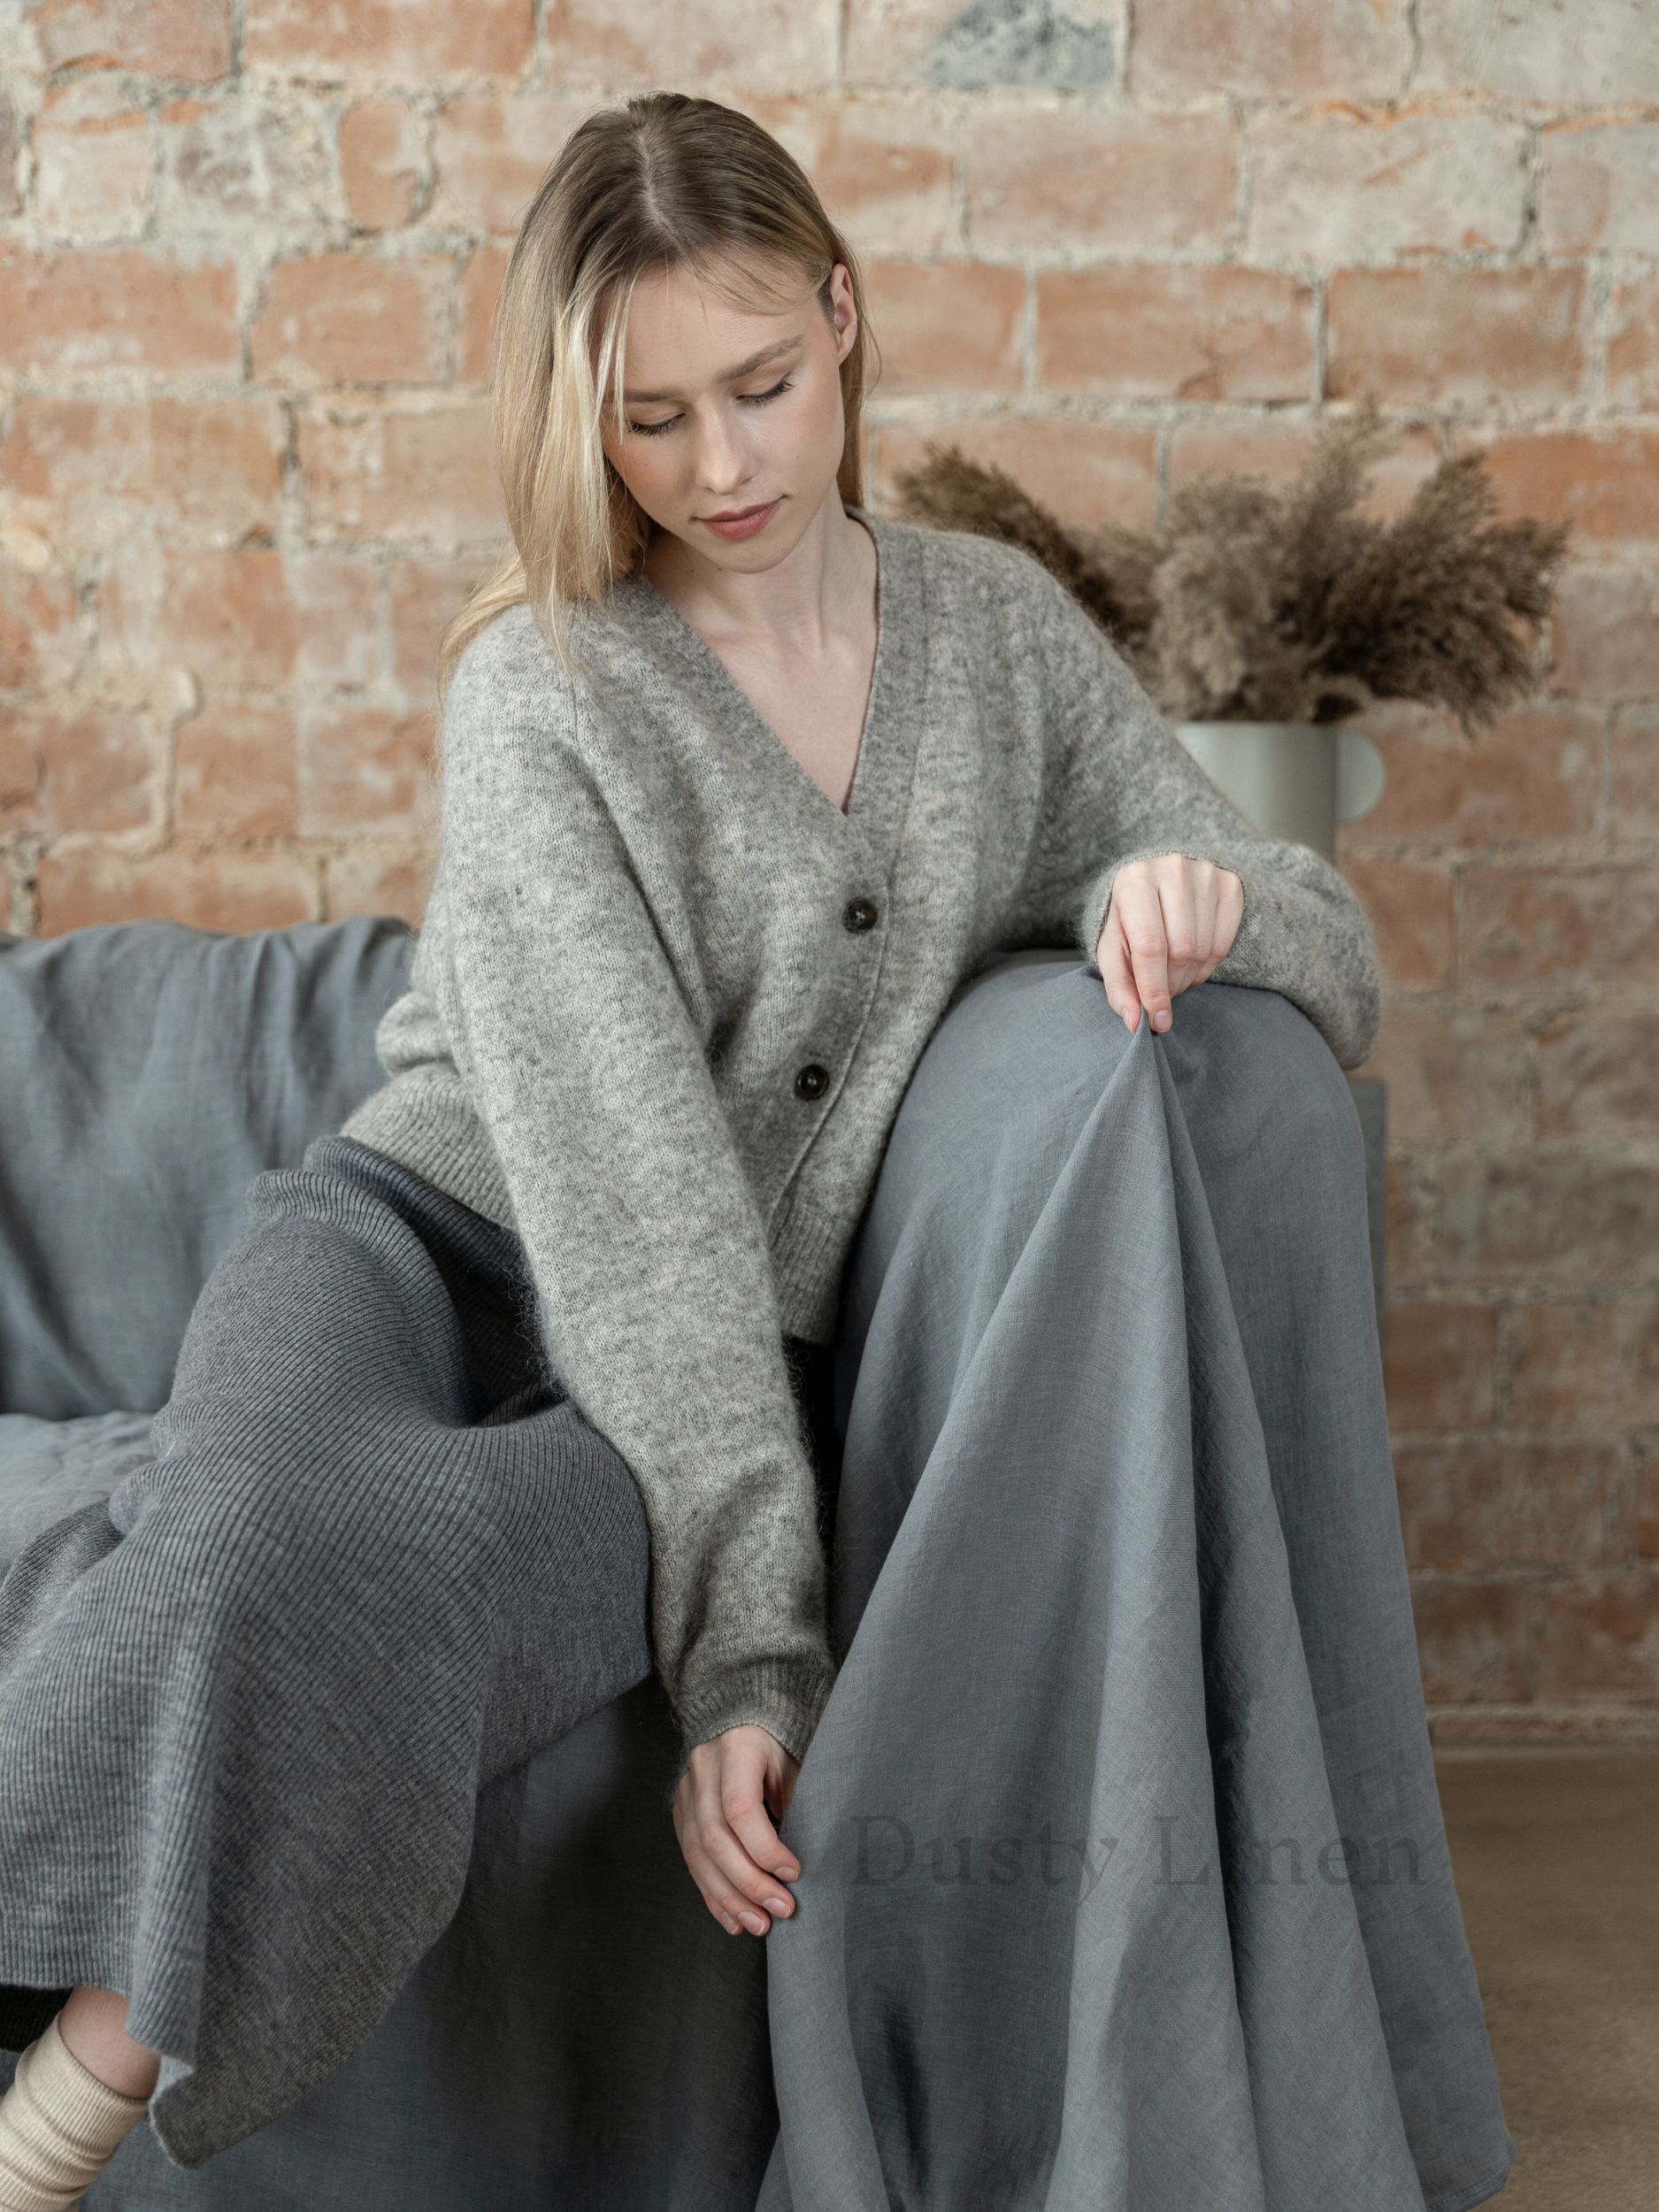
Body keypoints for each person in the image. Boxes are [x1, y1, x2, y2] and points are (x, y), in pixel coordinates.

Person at [0, 91, 1509, 2212]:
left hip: (686, 1392)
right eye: (648, 418)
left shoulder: (993, 639)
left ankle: (57, 2111)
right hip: (422, 1249)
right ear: (574, 418)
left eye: (762, 387)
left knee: (386, 1586)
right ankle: (67, 2078)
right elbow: (626, 1203)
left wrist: (1214, 904)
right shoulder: (545, 694)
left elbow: (1315, 920)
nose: (721, 467)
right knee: (249, 1540)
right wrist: (752, 1650)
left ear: (845, 318)